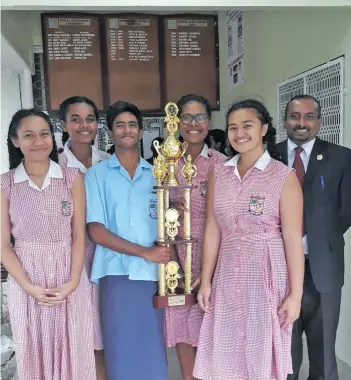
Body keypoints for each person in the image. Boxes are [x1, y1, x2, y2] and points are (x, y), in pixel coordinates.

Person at [193, 99, 305, 380]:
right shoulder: (219, 173)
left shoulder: (283, 176)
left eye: (247, 125)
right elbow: (212, 228)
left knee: (261, 348)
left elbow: (292, 237)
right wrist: (205, 280)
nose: (239, 133)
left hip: (266, 272)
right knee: (227, 347)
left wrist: (296, 294)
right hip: (228, 273)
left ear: (264, 128)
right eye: (233, 127)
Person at [1, 109, 95, 380]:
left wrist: (73, 281)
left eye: (44, 134)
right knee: (33, 350)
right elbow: (3, 245)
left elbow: (79, 235)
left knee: (73, 348)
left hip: (69, 276)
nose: (38, 141)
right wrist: (30, 287)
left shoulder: (70, 178)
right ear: (15, 140)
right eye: (28, 135)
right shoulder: (6, 184)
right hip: (26, 279)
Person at [84, 100, 169, 380]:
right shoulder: (97, 174)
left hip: (152, 276)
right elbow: (95, 229)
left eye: (132, 124)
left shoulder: (158, 175)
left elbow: (167, 223)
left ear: (141, 131)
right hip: (115, 274)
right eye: (120, 125)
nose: (127, 130)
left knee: (151, 351)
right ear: (110, 132)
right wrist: (144, 253)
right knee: (120, 351)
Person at [276, 95, 351, 380]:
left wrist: (318, 240)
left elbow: (345, 211)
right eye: (295, 116)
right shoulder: (269, 156)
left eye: (309, 117)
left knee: (322, 350)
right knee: (284, 348)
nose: (301, 123)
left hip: (324, 267)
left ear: (319, 122)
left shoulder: (342, 157)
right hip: (279, 267)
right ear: (285, 121)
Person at [164, 94, 227, 380]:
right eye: (186, 117)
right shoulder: (166, 161)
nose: (193, 124)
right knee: (180, 322)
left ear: (209, 122)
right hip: (176, 254)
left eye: (199, 117)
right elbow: (154, 208)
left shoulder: (223, 164)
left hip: (215, 254)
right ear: (176, 122)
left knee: (210, 322)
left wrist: (211, 271)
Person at [58, 96, 109, 380]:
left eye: (90, 118)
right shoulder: (56, 166)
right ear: (63, 124)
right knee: (76, 336)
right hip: (70, 260)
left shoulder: (109, 163)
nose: (83, 125)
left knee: (102, 337)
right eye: (75, 119)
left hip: (107, 257)